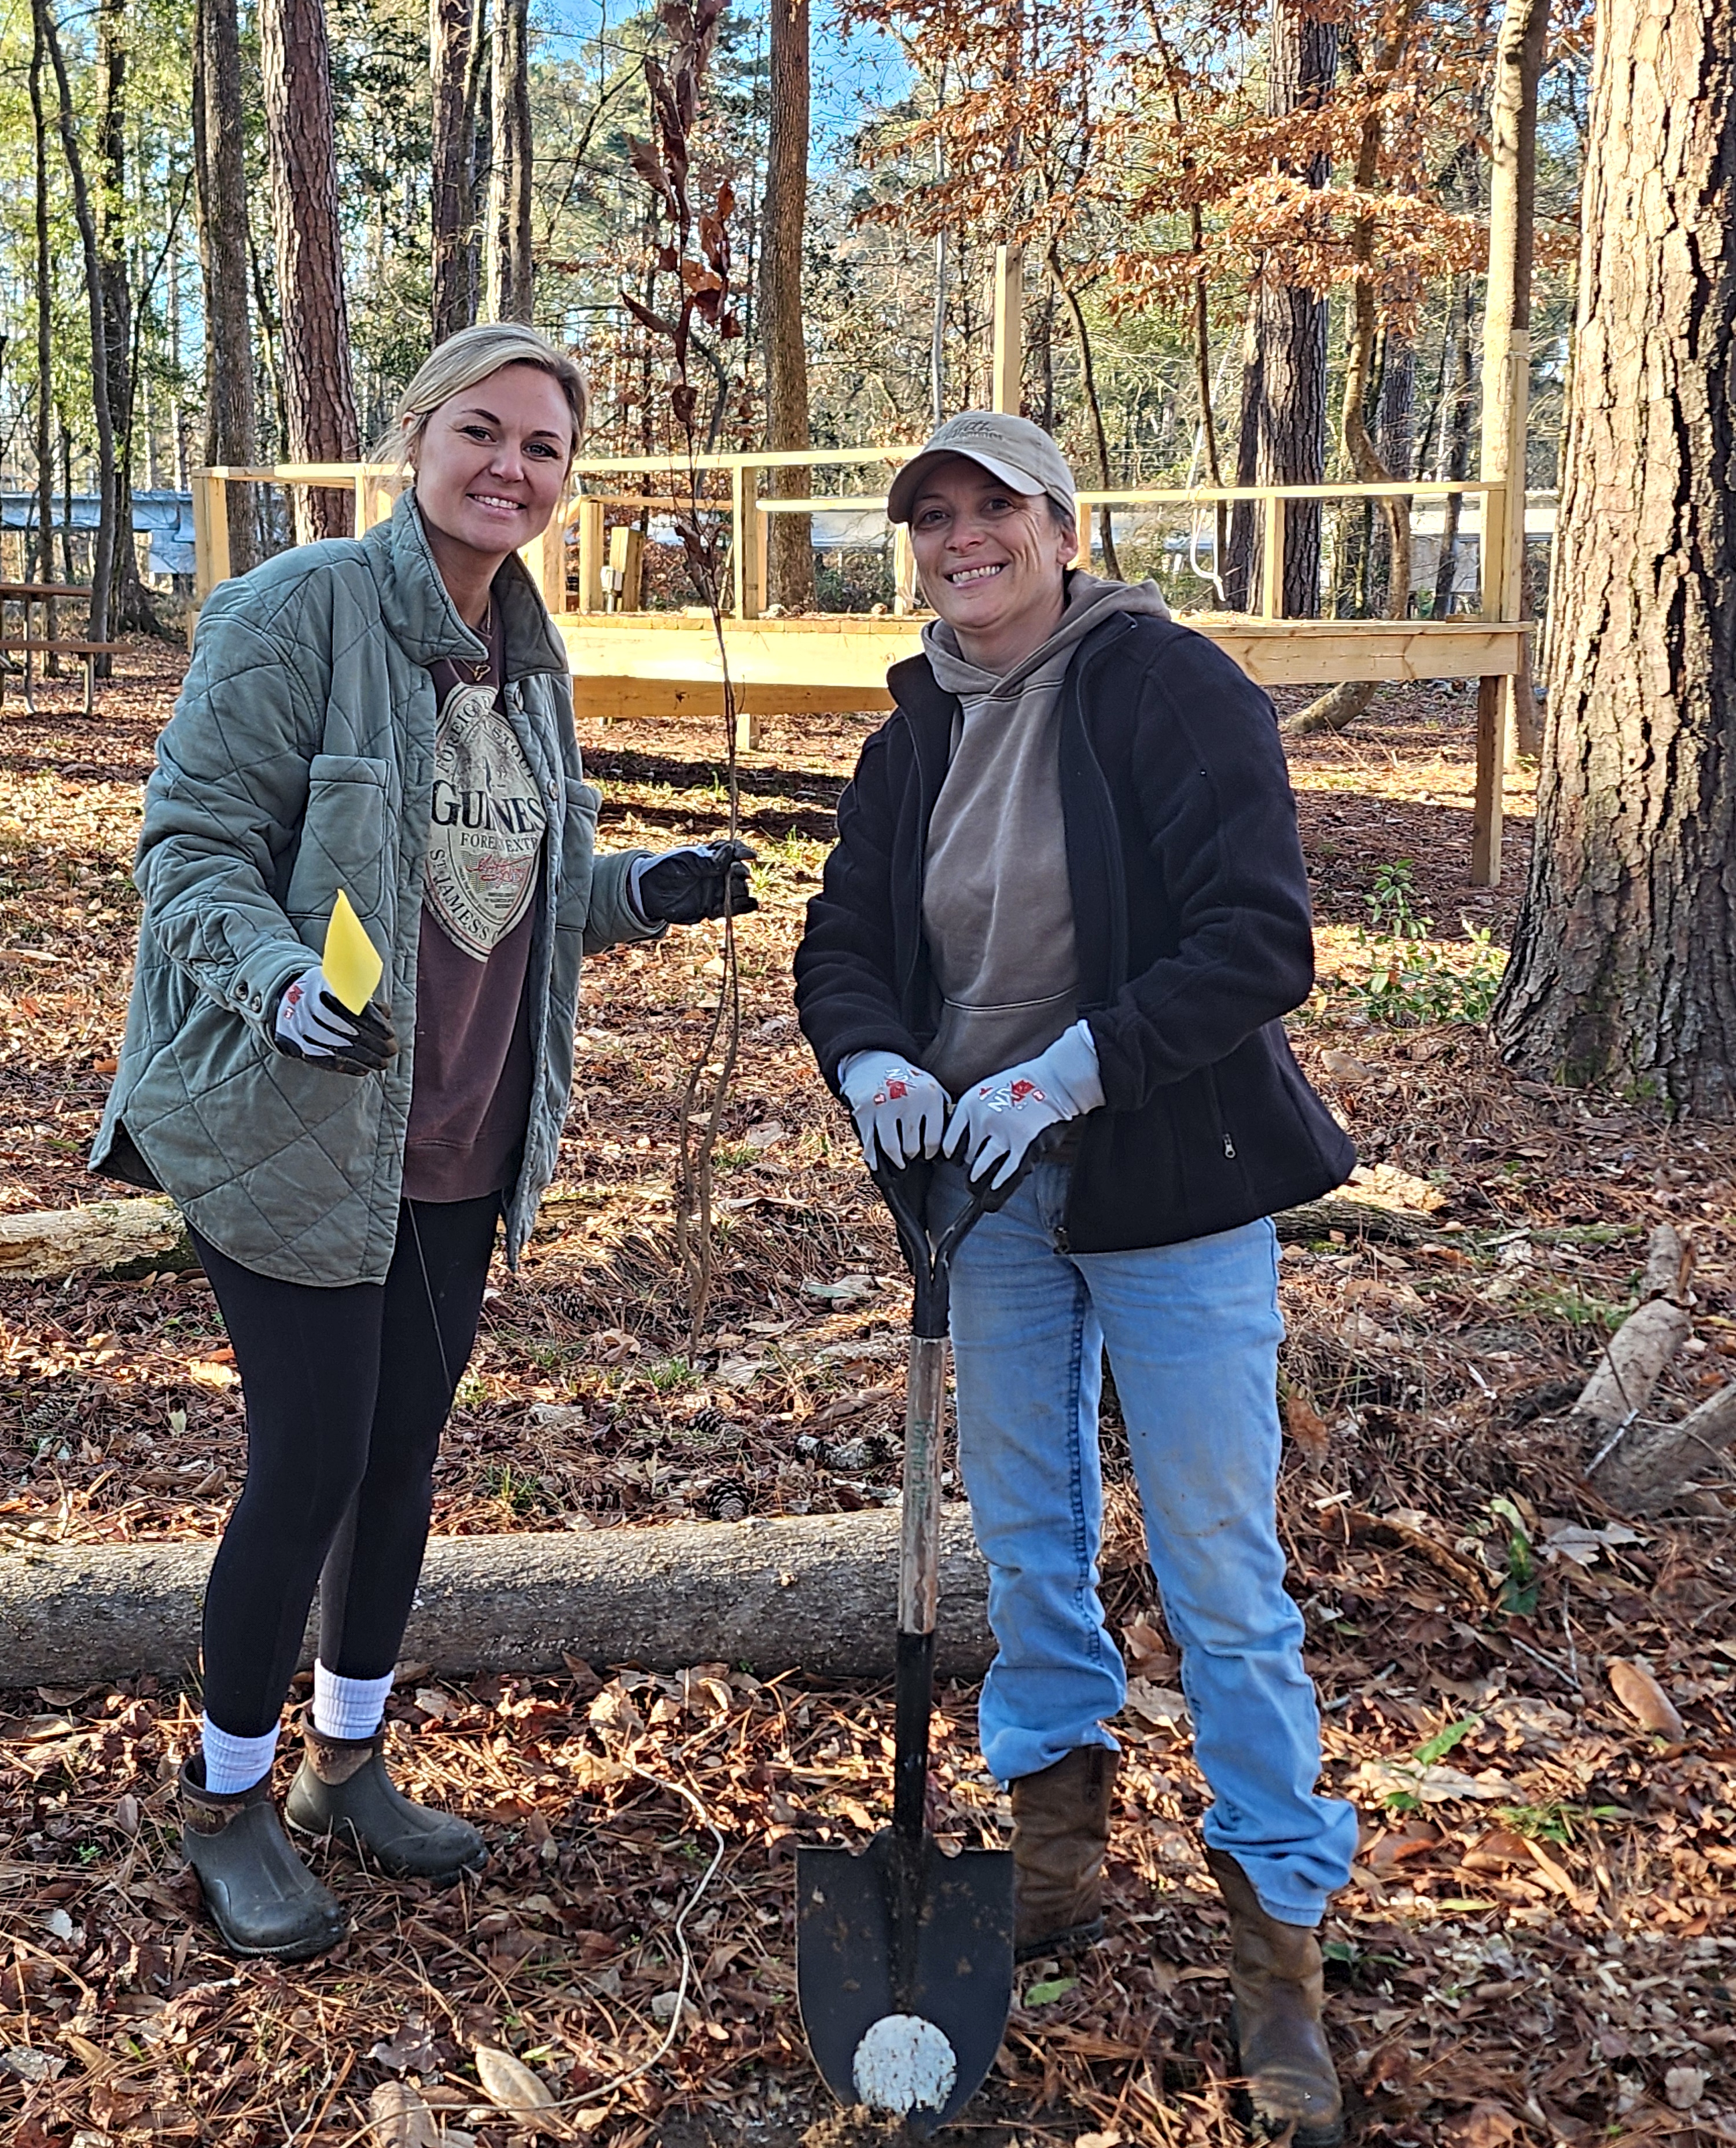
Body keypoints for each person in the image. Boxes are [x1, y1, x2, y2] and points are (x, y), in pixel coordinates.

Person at [92, 322, 753, 1961]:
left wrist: (641, 891)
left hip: (459, 1132)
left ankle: (346, 1767)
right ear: (416, 438)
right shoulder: (298, 609)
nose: (510, 467)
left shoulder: (529, 660)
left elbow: (508, 898)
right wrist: (279, 984)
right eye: (483, 431)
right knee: (309, 1460)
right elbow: (187, 854)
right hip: (295, 1125)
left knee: (400, 1466)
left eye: (542, 446)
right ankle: (226, 1807)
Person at [794, 412, 1360, 2145]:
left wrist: (1077, 1069)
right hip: (986, 1198)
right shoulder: (913, 734)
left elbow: (1260, 939)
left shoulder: (1168, 687)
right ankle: (1053, 1855)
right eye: (935, 519)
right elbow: (846, 944)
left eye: (997, 512)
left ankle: (1279, 1946)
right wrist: (878, 1063)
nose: (965, 542)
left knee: (1217, 1564)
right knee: (1031, 1535)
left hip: (1173, 1181)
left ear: (1063, 524)